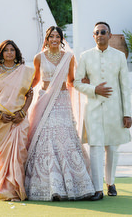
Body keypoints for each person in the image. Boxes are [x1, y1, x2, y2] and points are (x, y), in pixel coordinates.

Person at [25, 26, 95, 201]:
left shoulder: (68, 57)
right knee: (46, 135)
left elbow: (71, 80)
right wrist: (21, 92)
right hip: (45, 98)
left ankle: (72, 184)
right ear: (47, 39)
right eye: (51, 36)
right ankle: (48, 185)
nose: (54, 39)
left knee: (64, 136)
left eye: (57, 36)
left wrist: (87, 81)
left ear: (61, 39)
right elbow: (35, 80)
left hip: (62, 99)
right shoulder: (38, 57)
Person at [74, 21, 132, 201]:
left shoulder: (120, 57)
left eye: (103, 32)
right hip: (93, 109)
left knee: (113, 148)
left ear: (110, 35)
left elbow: (125, 87)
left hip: (115, 109)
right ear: (93, 36)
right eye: (97, 32)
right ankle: (97, 189)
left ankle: (111, 182)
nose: (100, 35)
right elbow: (76, 83)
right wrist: (93, 89)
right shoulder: (85, 56)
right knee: (96, 148)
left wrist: (127, 113)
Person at [0, 40, 35, 201]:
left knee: (18, 155)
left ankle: (15, 190)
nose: (9, 53)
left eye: (12, 50)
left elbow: (30, 95)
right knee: (1, 156)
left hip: (19, 119)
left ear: (16, 52)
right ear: (1, 53)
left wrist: (23, 112)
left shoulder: (25, 71)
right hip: (1, 120)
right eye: (6, 50)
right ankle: (1, 189)